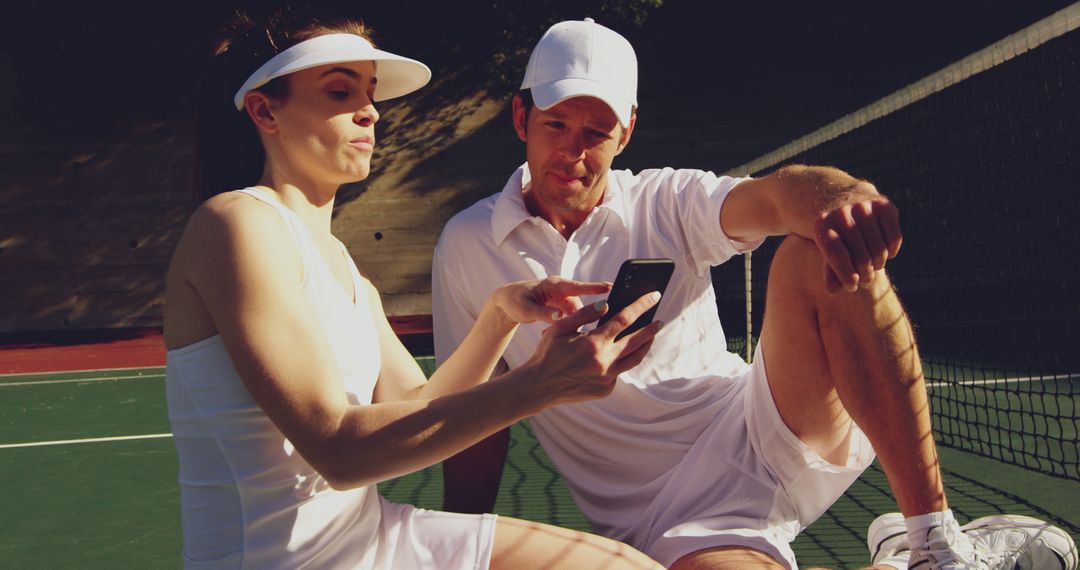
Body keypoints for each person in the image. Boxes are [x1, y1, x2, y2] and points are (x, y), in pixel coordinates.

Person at [431, 18, 1078, 570]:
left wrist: (841, 199)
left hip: (763, 426)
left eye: (596, 131)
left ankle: (936, 544)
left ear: (625, 133)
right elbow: (468, 419)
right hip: (671, 520)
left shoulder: (666, 198)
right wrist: (461, 548)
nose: (574, 150)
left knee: (815, 249)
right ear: (522, 117)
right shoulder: (465, 245)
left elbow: (775, 195)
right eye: (557, 122)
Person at [163, 10, 669, 569]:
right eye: (340, 91)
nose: (370, 111)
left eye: (371, 93)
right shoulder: (235, 223)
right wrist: (540, 384)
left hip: (370, 537)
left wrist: (498, 316)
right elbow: (340, 450)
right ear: (264, 110)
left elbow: (416, 408)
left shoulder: (345, 267)